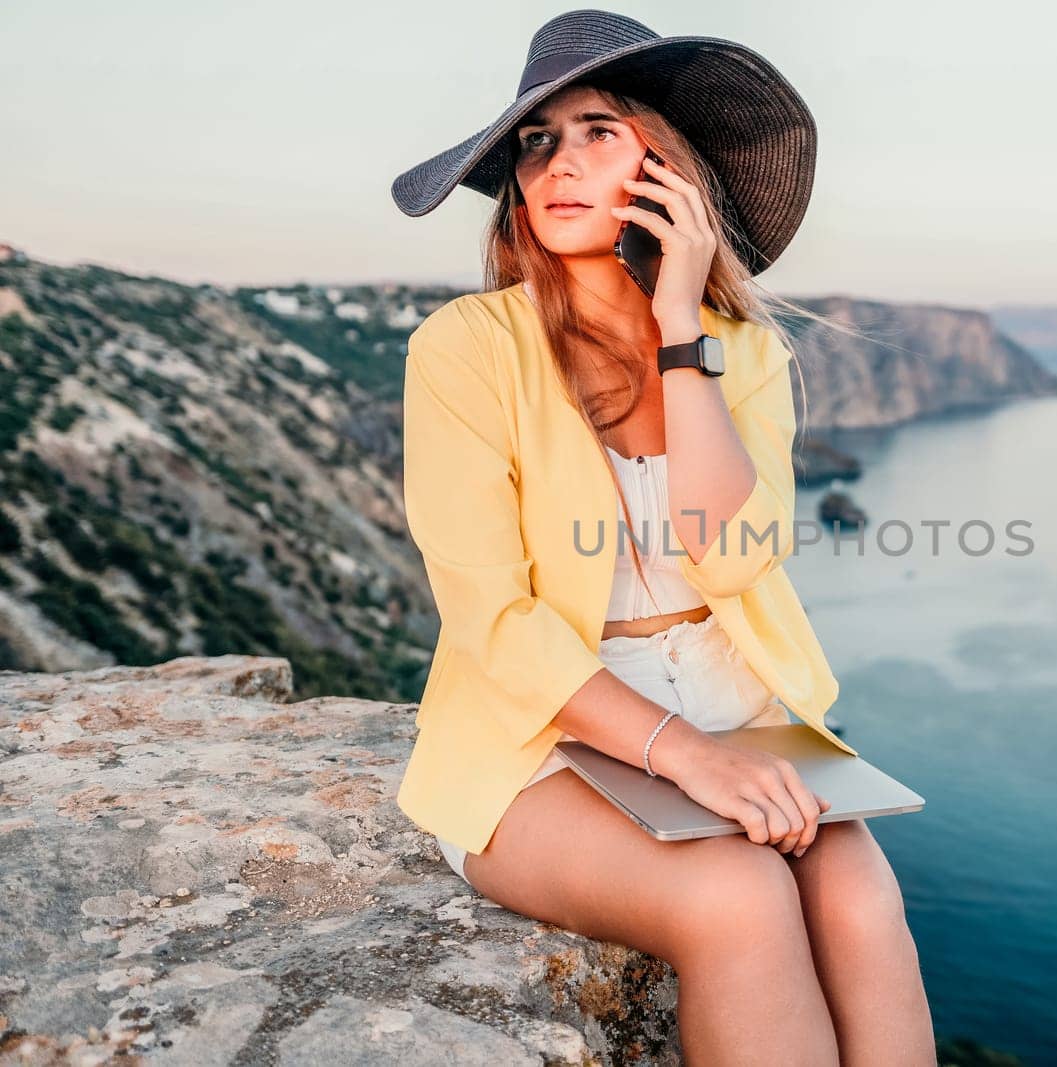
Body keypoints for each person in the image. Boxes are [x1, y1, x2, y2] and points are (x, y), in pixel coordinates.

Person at [389, 11, 935, 1065]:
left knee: (861, 900)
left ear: (665, 167)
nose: (557, 162)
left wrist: (681, 333)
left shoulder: (744, 353)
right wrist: (685, 758)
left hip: (735, 704)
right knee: (735, 896)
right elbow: (494, 623)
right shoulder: (465, 347)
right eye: (535, 142)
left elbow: (727, 555)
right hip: (540, 734)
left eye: (599, 129)